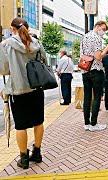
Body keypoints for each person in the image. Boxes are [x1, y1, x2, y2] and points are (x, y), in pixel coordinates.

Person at [0, 18, 48, 169]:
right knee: (38, 122)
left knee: (21, 126)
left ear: (12, 28)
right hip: (37, 88)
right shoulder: (36, 43)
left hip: (18, 90)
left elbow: (3, 69)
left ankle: (24, 159)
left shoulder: (6, 44)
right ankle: (37, 153)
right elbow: (44, 62)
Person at [80, 21, 108, 132]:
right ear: (97, 26)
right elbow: (98, 57)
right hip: (96, 70)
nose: (103, 32)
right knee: (97, 96)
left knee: (87, 97)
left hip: (85, 70)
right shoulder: (96, 38)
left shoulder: (84, 37)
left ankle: (86, 123)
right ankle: (93, 124)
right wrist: (107, 48)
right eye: (103, 29)